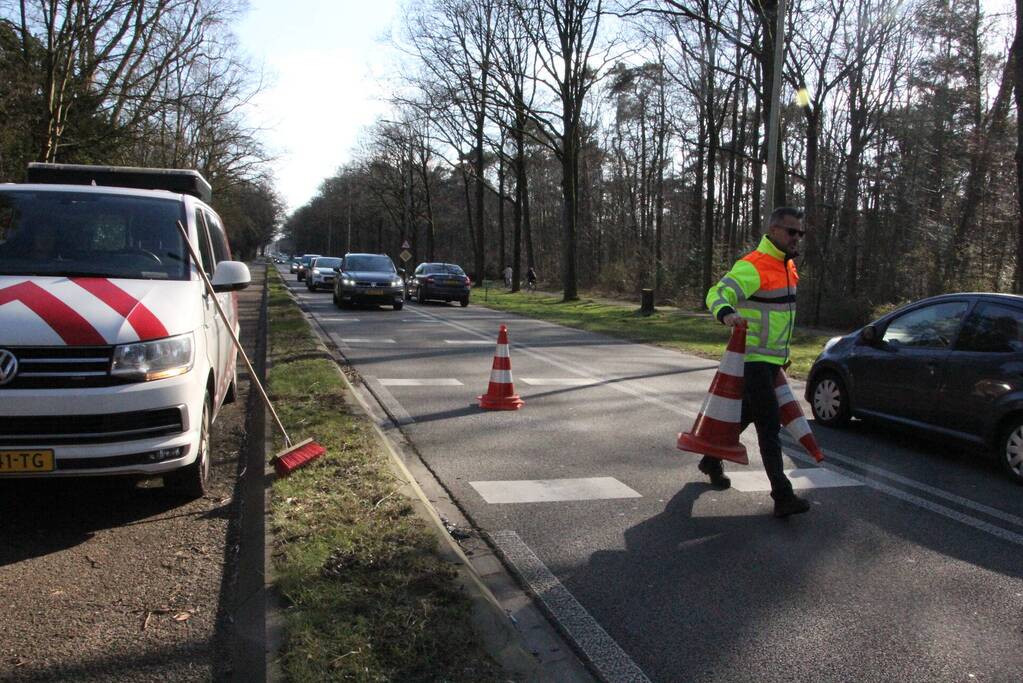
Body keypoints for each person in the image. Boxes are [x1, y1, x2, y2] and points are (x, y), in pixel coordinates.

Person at [701, 206, 810, 518]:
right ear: (774, 230)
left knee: (745, 416)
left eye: (800, 233)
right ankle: (782, 494)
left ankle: (710, 458)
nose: (796, 238)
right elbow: (716, 293)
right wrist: (727, 313)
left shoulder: (787, 268)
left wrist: (783, 359)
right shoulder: (755, 265)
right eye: (791, 231)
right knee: (768, 426)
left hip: (773, 362)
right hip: (754, 360)